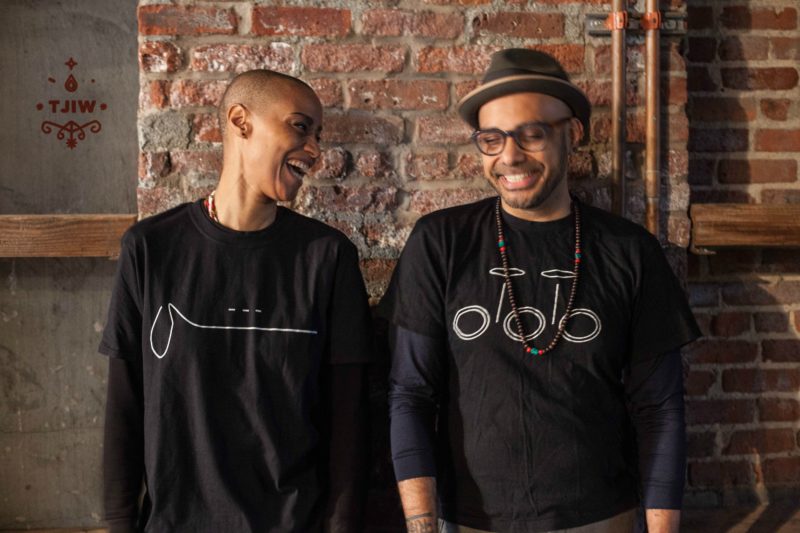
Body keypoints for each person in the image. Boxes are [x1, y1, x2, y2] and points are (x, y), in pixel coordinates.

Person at [380, 49, 700, 533]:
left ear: (571, 135)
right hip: (469, 521)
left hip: (600, 517)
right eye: (492, 139)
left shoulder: (629, 250)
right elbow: (411, 393)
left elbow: (660, 409)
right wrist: (422, 526)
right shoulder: (441, 242)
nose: (509, 156)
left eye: (531, 134)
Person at [100, 70, 373, 532]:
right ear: (241, 120)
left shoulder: (327, 257)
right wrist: (118, 524)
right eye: (300, 127)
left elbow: (348, 423)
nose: (315, 150)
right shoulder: (151, 249)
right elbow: (124, 406)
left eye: (318, 136)